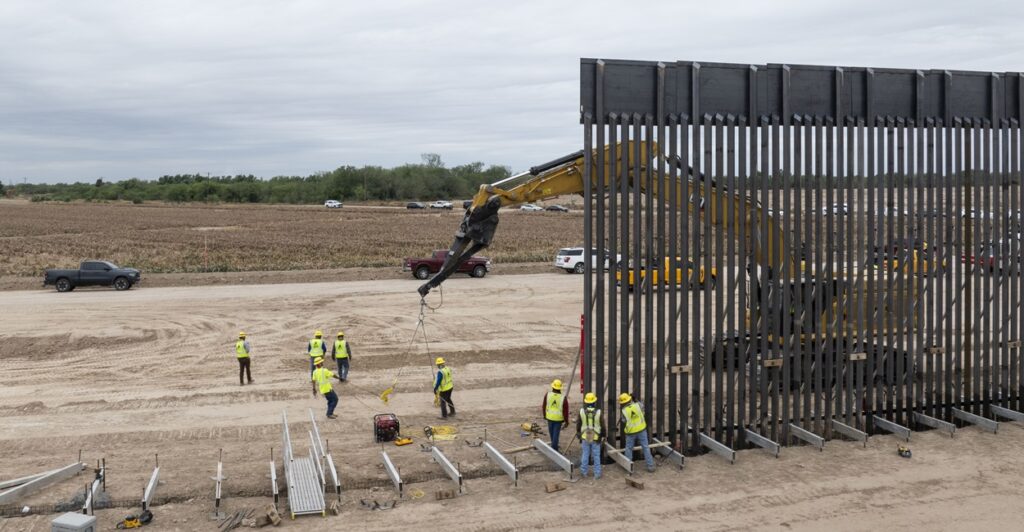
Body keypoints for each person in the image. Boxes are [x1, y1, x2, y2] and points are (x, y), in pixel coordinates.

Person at [619, 393, 655, 472]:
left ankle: (628, 467)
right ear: (630, 399)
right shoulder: (638, 405)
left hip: (630, 433)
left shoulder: (624, 411)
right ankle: (650, 466)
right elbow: (642, 406)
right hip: (642, 430)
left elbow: (624, 420)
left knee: (628, 449)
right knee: (645, 447)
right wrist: (635, 399)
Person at [576, 392, 604, 479]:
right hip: (595, 437)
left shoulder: (582, 412)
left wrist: (578, 433)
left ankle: (584, 472)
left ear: (586, 402)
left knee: (585, 454)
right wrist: (603, 435)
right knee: (596, 456)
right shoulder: (598, 413)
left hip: (585, 436)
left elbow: (578, 424)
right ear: (594, 402)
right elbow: (603, 426)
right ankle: (597, 474)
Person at [542, 379, 570, 452]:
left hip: (549, 418)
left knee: (552, 434)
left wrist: (544, 415)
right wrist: (566, 422)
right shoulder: (563, 398)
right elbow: (565, 411)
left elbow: (544, 406)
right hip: (558, 419)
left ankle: (554, 447)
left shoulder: (547, 395)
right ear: (560, 388)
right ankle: (554, 449)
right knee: (555, 435)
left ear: (553, 387)